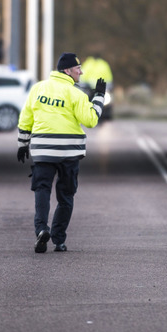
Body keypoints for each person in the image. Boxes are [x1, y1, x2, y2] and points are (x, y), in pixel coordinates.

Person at [17, 52, 106, 253]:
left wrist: (23, 144)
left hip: (43, 151)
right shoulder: (77, 94)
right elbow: (91, 120)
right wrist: (99, 96)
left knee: (42, 190)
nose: (81, 72)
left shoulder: (38, 88)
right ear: (67, 71)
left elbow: (26, 118)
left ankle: (41, 229)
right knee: (66, 196)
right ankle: (59, 240)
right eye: (78, 69)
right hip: (69, 153)